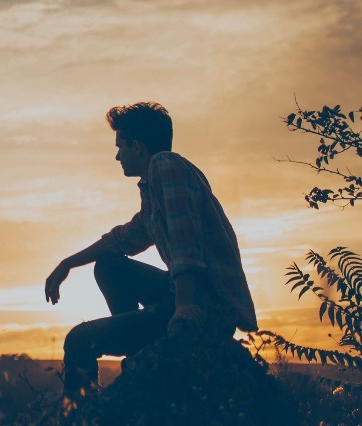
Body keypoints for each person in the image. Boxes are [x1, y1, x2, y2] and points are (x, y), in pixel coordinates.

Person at [43, 102, 258, 396]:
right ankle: (139, 350)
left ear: (138, 146)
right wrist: (67, 262)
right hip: (185, 294)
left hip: (204, 304)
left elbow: (186, 243)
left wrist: (184, 306)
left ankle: (82, 417)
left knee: (79, 340)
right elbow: (121, 239)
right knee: (109, 264)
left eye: (120, 146)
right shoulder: (159, 184)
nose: (117, 155)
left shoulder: (165, 166)